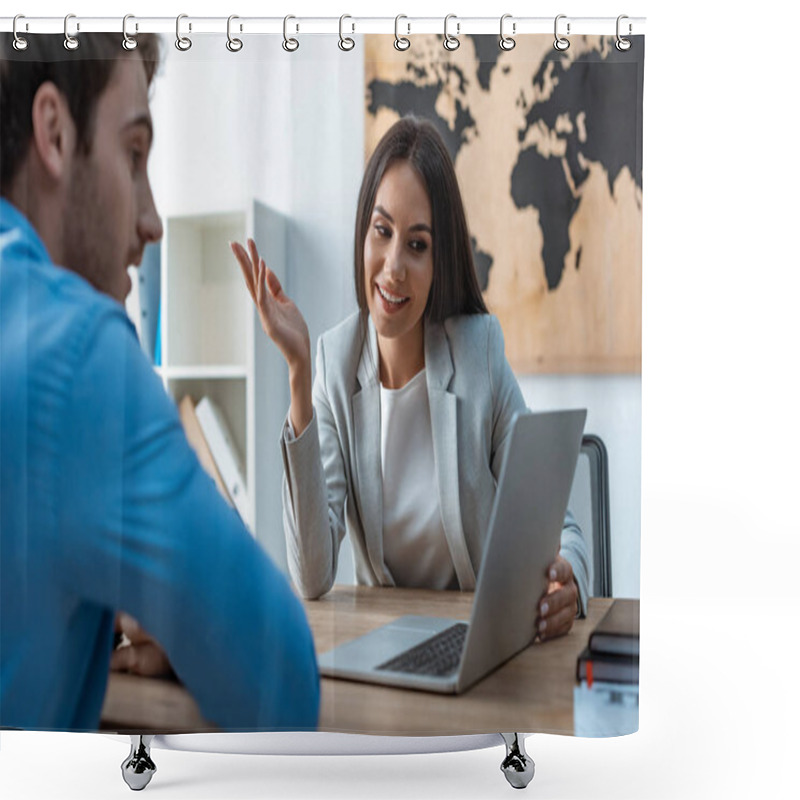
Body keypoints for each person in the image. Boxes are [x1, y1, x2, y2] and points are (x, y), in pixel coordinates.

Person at [0, 33, 319, 731]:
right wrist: (186, 621)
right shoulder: (78, 353)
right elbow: (281, 681)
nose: (151, 220)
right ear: (53, 132)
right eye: (134, 155)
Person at [231, 117, 590, 641]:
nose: (393, 266)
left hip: (478, 644)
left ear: (439, 259)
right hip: (386, 648)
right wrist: (299, 372)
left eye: (417, 245)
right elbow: (311, 576)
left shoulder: (478, 353)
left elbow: (561, 526)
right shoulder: (334, 362)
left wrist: (570, 578)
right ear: (363, 233)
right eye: (382, 232)